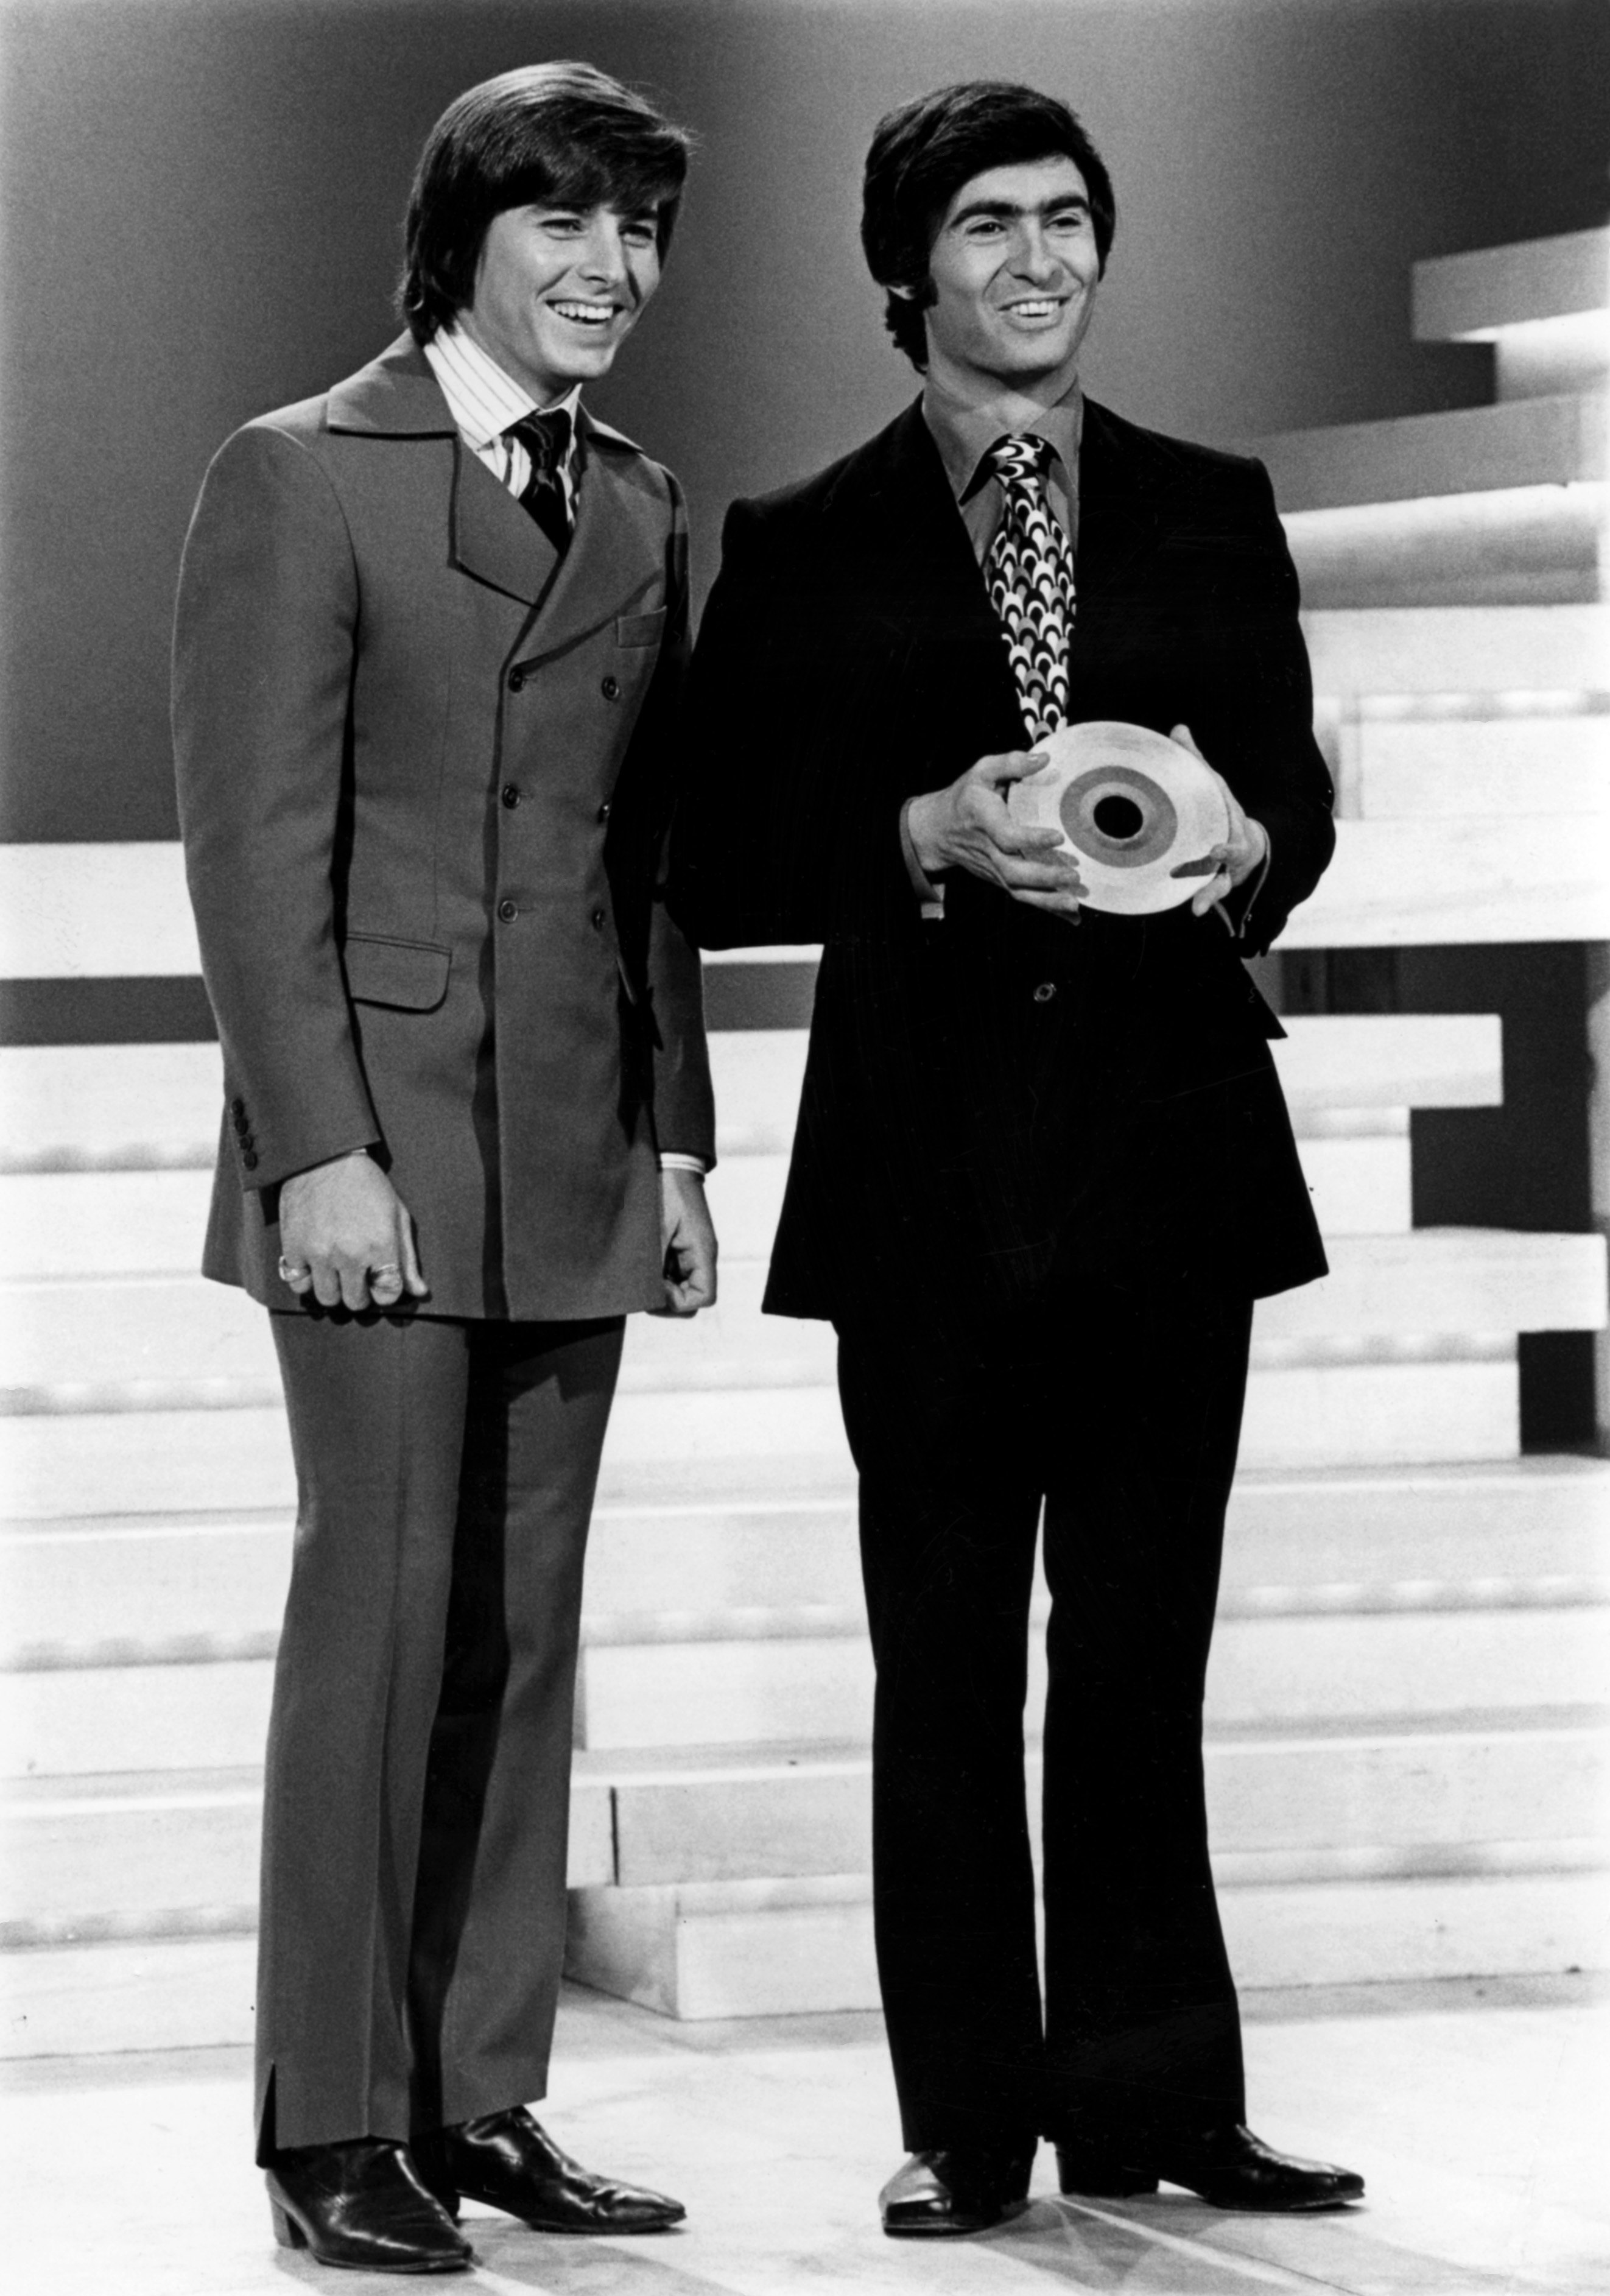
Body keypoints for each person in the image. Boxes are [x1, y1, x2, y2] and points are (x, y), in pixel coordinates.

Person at [670, 79, 1362, 2237]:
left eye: (1070, 219)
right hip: (929, 1183)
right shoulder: (797, 539)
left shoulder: (1207, 499)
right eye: (990, 224)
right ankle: (969, 2113)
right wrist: (912, 836)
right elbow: (713, 851)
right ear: (911, 271)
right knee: (948, 1661)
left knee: (1143, 1657)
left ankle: (1155, 2098)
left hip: (1168, 1168)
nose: (1040, 258)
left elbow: (1290, 800)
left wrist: (1255, 845)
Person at [174, 62, 715, 2275]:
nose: (610, 269)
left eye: (640, 232)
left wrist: (678, 1137)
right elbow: (250, 849)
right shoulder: (301, 476)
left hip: (575, 1140)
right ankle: (333, 2123)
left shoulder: (649, 505)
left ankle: (483, 2091)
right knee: (382, 1631)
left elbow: (647, 862)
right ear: (466, 237)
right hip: (376, 1156)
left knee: (523, 1642)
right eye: (565, 225)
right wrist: (317, 1148)